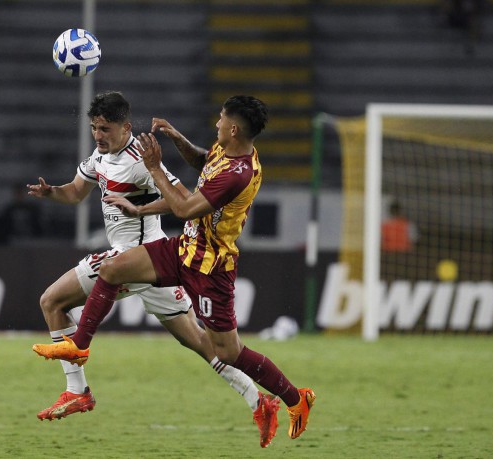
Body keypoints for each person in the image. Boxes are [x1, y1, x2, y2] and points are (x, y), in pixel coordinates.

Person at [33, 95, 315, 443]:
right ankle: (258, 401)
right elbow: (202, 161)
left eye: (104, 128)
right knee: (195, 338)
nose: (97, 134)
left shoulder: (232, 173)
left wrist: (151, 176)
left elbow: (183, 204)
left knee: (54, 301)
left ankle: (295, 398)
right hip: (180, 251)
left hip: (207, 265)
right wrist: (176, 137)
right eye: (94, 127)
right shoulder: (226, 151)